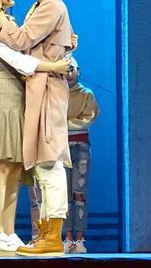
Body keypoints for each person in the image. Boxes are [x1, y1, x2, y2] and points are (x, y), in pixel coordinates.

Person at [0, 0, 75, 257]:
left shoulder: (49, 6)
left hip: (42, 91)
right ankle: (5, 233)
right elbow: (12, 51)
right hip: (21, 91)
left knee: (46, 162)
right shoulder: (35, 7)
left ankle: (48, 234)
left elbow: (20, 43)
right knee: (15, 166)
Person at [63, 59, 100, 254]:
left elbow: (89, 117)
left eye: (72, 70)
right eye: (66, 70)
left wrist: (64, 124)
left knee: (79, 193)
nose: (69, 74)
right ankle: (68, 238)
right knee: (64, 195)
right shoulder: (57, 93)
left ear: (79, 71)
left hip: (81, 147)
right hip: (61, 148)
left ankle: (79, 238)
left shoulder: (86, 94)